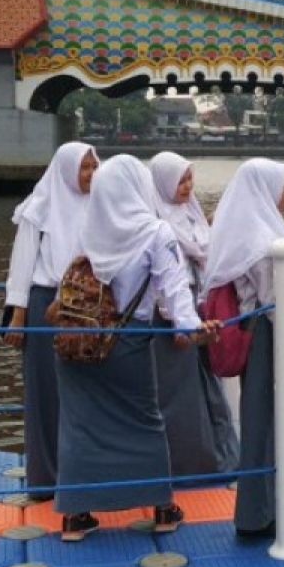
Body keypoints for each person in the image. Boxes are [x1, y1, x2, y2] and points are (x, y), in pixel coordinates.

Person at [55, 155, 219, 541]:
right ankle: (162, 508)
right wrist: (196, 329)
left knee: (81, 425)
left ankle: (76, 516)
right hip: (128, 341)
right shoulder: (156, 233)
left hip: (78, 341)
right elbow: (176, 295)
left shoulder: (89, 225)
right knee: (145, 421)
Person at [201, 158, 284, 537]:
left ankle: (272, 501)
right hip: (268, 334)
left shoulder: (241, 231)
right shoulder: (264, 243)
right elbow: (276, 299)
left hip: (253, 331)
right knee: (270, 417)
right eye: (282, 187)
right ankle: (263, 510)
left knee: (264, 416)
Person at [4, 142, 98, 500]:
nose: (90, 175)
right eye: (84, 168)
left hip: (85, 305)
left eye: (94, 167)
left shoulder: (99, 207)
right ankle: (45, 479)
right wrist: (18, 314)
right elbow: (22, 263)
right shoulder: (40, 208)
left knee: (84, 389)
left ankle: (81, 473)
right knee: (44, 393)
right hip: (46, 305)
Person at [146, 151, 238, 477]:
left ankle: (217, 455)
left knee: (209, 386)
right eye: (180, 181)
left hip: (199, 309)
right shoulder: (155, 220)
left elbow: (205, 249)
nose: (186, 187)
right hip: (172, 315)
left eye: (189, 180)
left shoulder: (191, 212)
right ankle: (188, 462)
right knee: (181, 390)